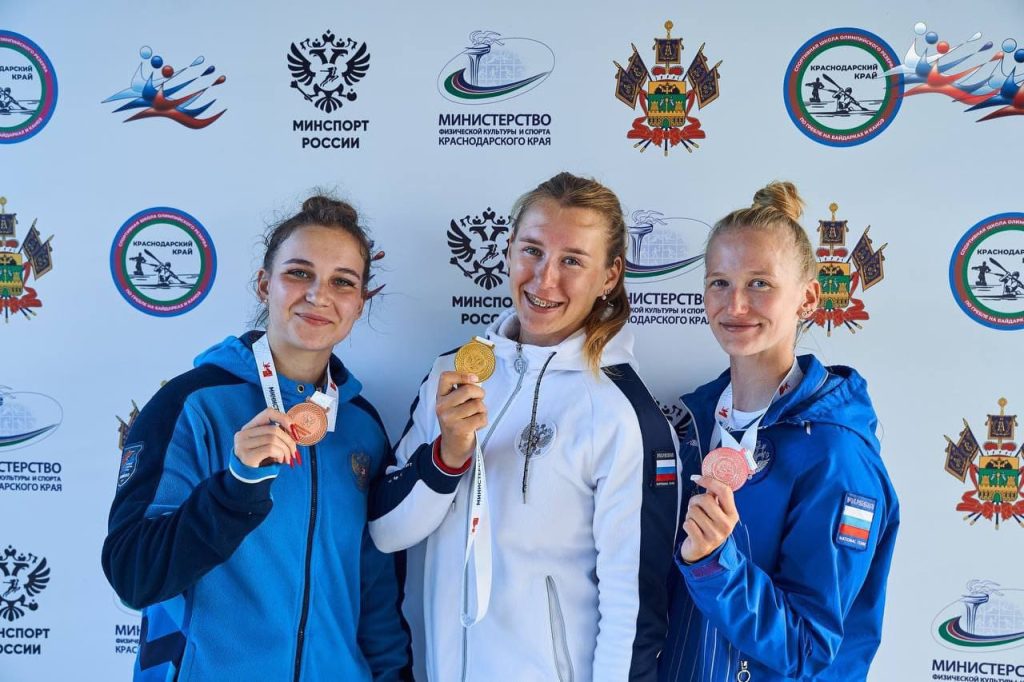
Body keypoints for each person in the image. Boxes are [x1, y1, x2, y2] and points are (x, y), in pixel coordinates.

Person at [369, 172, 678, 681]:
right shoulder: (452, 373)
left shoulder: (621, 412)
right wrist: (446, 457)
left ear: (610, 275)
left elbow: (635, 610)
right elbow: (386, 532)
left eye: (572, 261)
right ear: (509, 249)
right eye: (532, 250)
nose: (544, 279)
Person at [102, 196, 408, 681]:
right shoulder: (192, 405)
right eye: (299, 273)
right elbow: (134, 575)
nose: (319, 295)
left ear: (360, 303)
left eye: (342, 282)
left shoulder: (361, 426)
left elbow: (376, 591)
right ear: (265, 284)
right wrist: (234, 490)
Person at [658, 181, 899, 682]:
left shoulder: (835, 452)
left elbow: (811, 648)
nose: (735, 305)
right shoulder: (690, 423)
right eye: (719, 282)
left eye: (760, 284)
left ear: (807, 298)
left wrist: (715, 564)